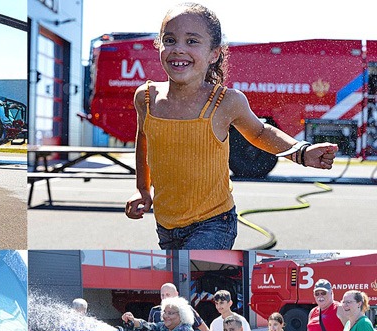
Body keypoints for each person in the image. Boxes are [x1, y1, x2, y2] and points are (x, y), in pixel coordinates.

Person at [124, 3, 338, 249]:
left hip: (214, 222)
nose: (179, 49)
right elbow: (144, 141)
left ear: (214, 54)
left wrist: (300, 152)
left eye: (192, 41)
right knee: (184, 281)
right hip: (166, 223)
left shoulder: (225, 102)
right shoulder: (146, 98)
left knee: (192, 272)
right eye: (170, 40)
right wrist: (142, 189)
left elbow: (260, 132)